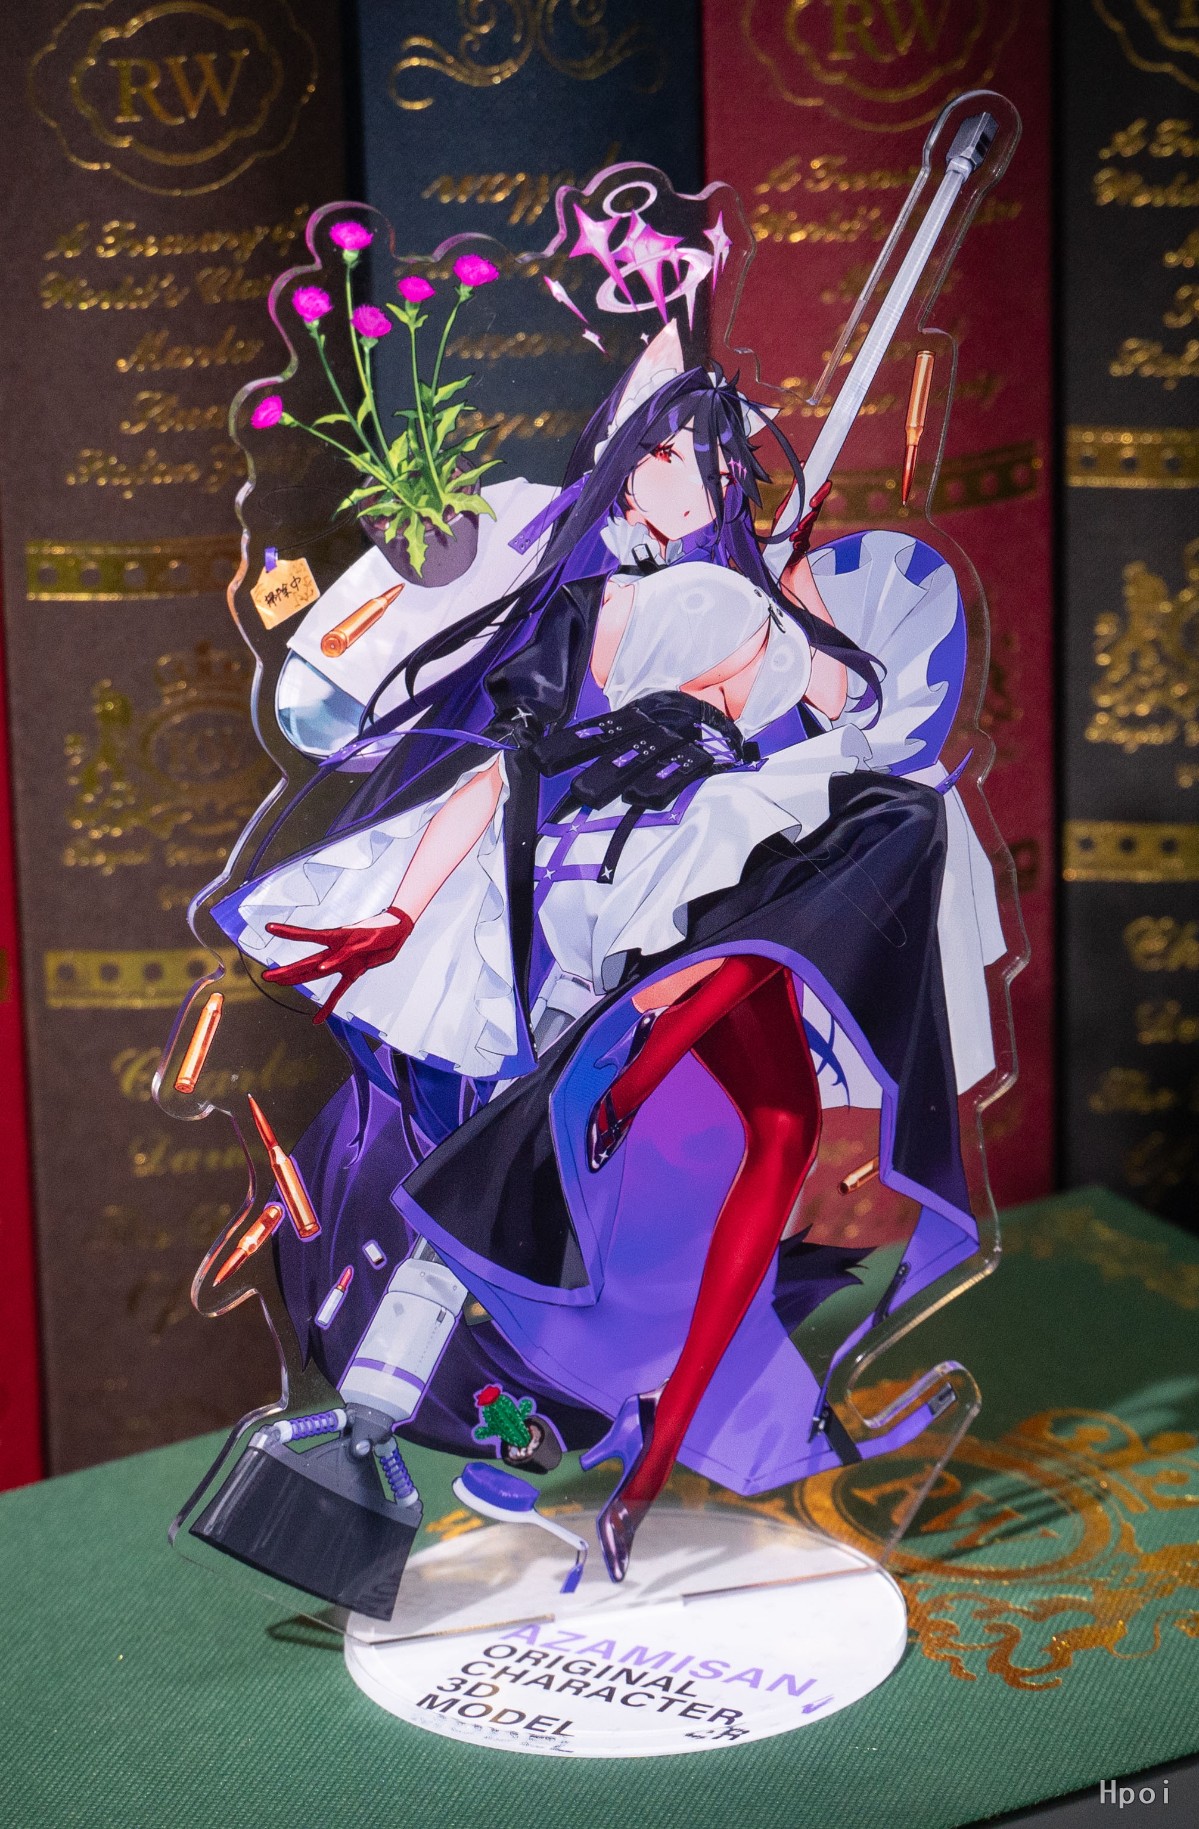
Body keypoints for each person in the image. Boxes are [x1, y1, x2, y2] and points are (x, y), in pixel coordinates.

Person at [216, 321, 1005, 1582]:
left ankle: (638, 1449)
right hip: (603, 890)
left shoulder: (749, 609)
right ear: (631, 472)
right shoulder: (627, 602)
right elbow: (499, 773)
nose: (706, 479)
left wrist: (827, 636)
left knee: (775, 1131)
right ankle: (395, 1413)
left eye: (722, 463)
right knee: (521, 1142)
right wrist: (401, 909)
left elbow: (866, 712)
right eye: (678, 457)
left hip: (709, 888)